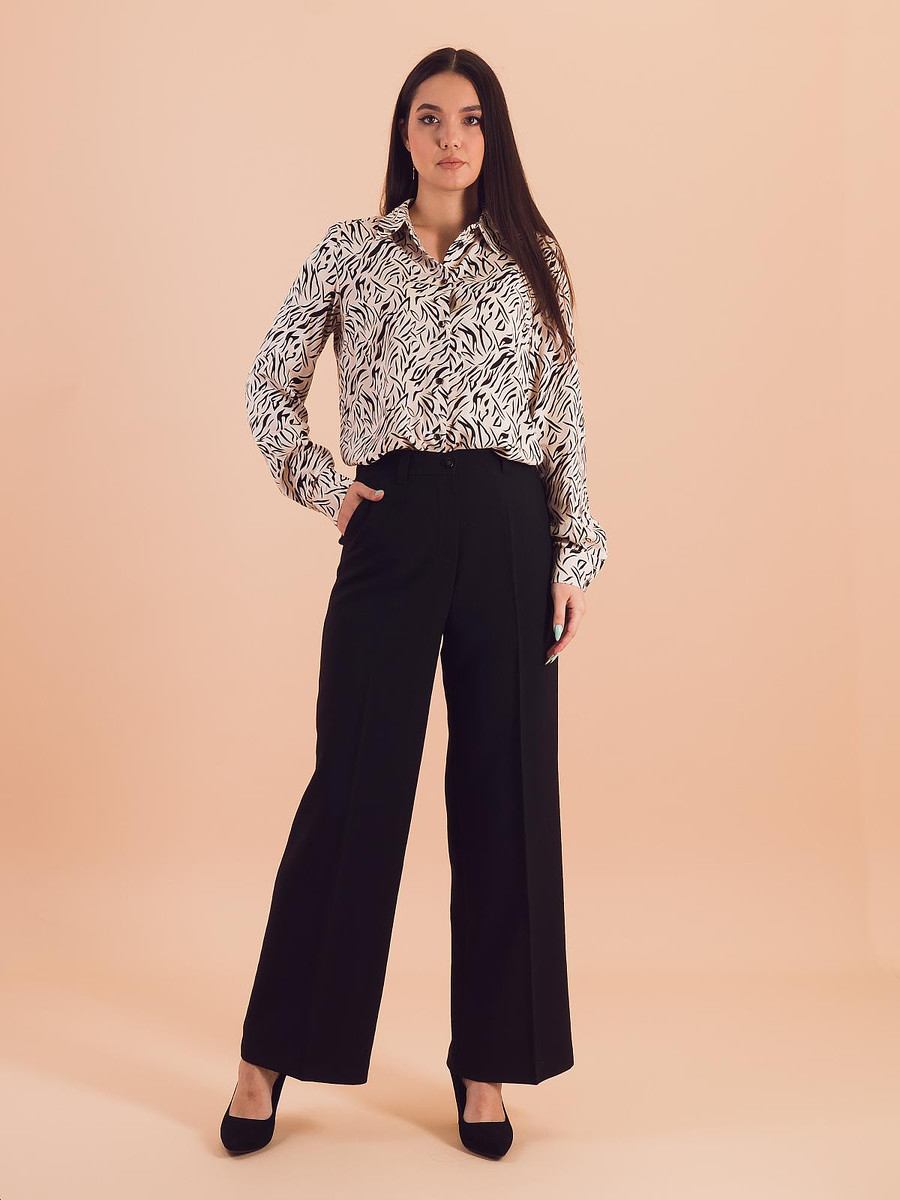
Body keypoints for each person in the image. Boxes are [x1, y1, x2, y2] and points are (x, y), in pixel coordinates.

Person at [220, 46, 608, 1161]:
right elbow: (268, 385)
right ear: (405, 133)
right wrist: (324, 484)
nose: (451, 138)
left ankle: (488, 1065)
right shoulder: (352, 250)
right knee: (354, 787)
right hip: (392, 530)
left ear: (493, 137)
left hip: (509, 527)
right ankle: (268, 1055)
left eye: (472, 119)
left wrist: (575, 553)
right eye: (431, 118)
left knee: (506, 793)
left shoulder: (533, 258)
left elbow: (565, 410)